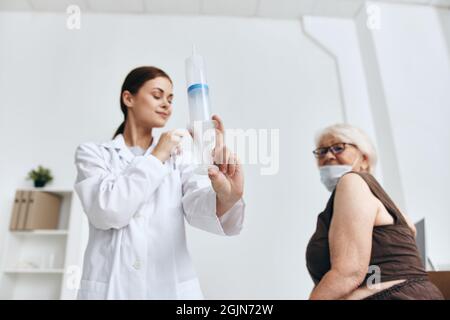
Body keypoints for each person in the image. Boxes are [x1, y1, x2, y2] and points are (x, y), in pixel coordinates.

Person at [74, 66, 245, 299]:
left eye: (171, 98)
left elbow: (197, 209)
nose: (166, 104)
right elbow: (107, 212)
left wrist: (226, 195)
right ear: (128, 98)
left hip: (169, 290)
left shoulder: (179, 154)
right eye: (157, 95)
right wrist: (157, 156)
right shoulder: (93, 154)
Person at [306, 123, 443, 300]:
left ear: (364, 158)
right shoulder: (384, 203)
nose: (329, 156)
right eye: (321, 151)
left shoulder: (352, 182)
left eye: (338, 147)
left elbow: (348, 273)